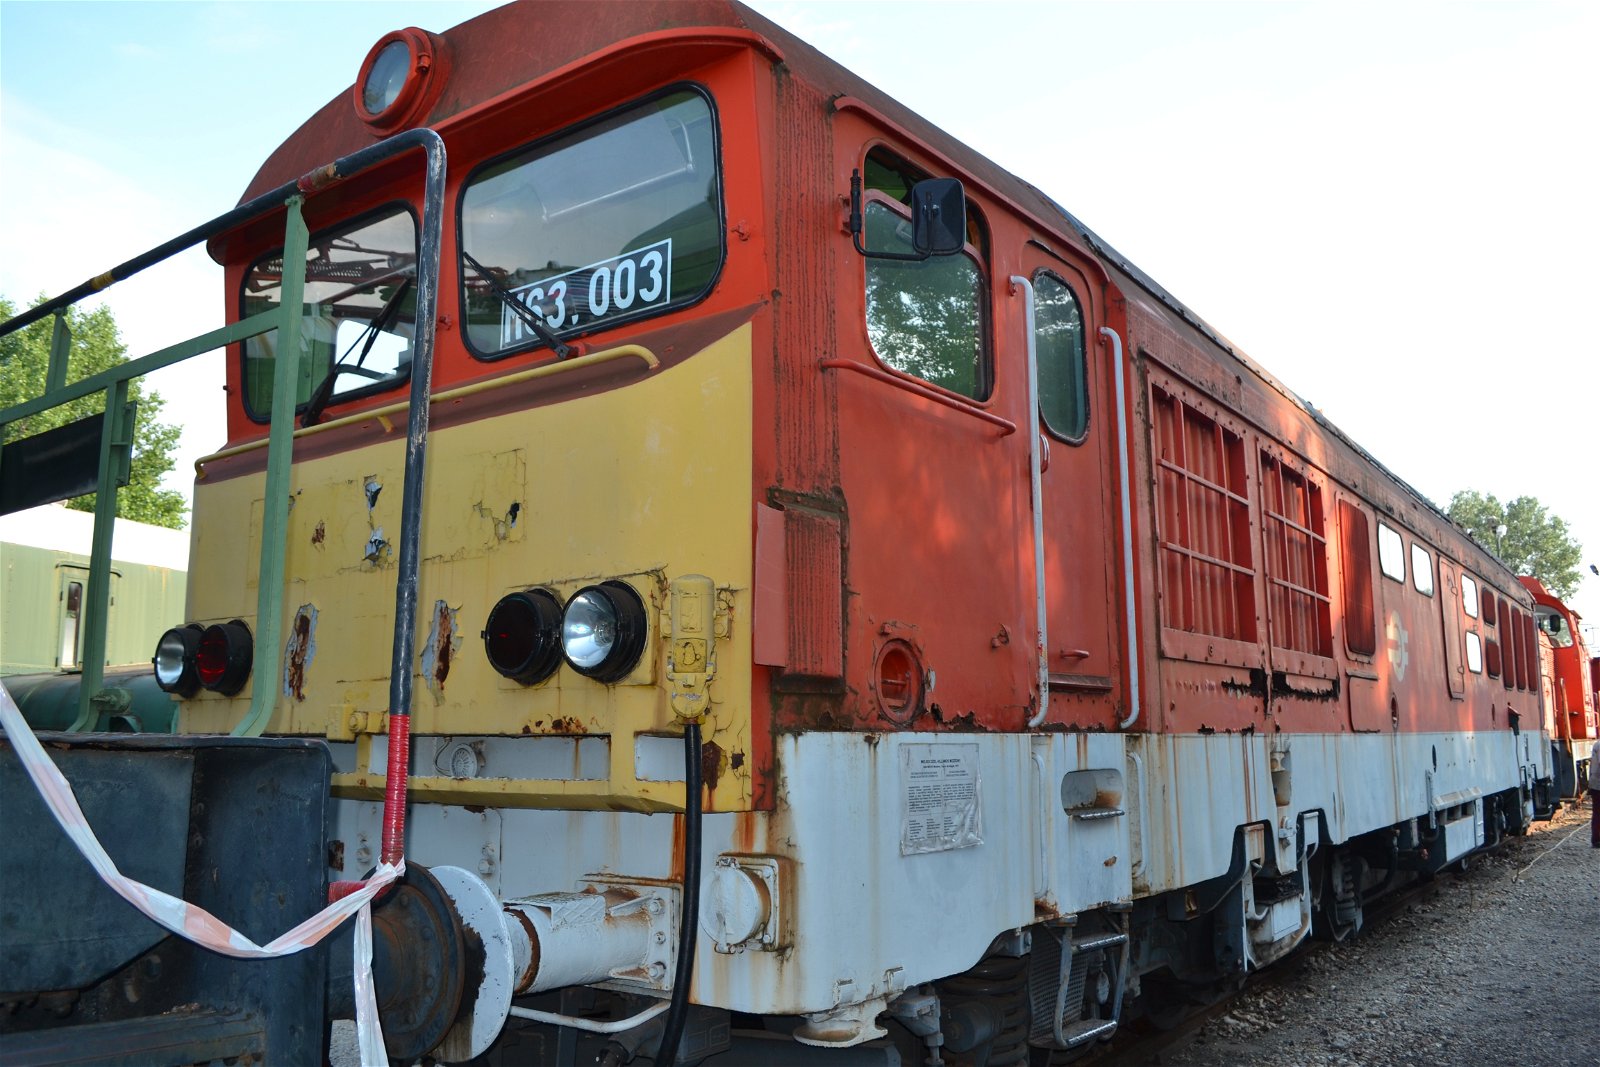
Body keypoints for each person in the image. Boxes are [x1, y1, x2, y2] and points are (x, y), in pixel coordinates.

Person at [1591, 737, 1600, 848]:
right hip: (1598, 784)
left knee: (1597, 812)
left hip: (1596, 784)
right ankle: (1597, 839)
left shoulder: (1597, 744)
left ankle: (1596, 838)